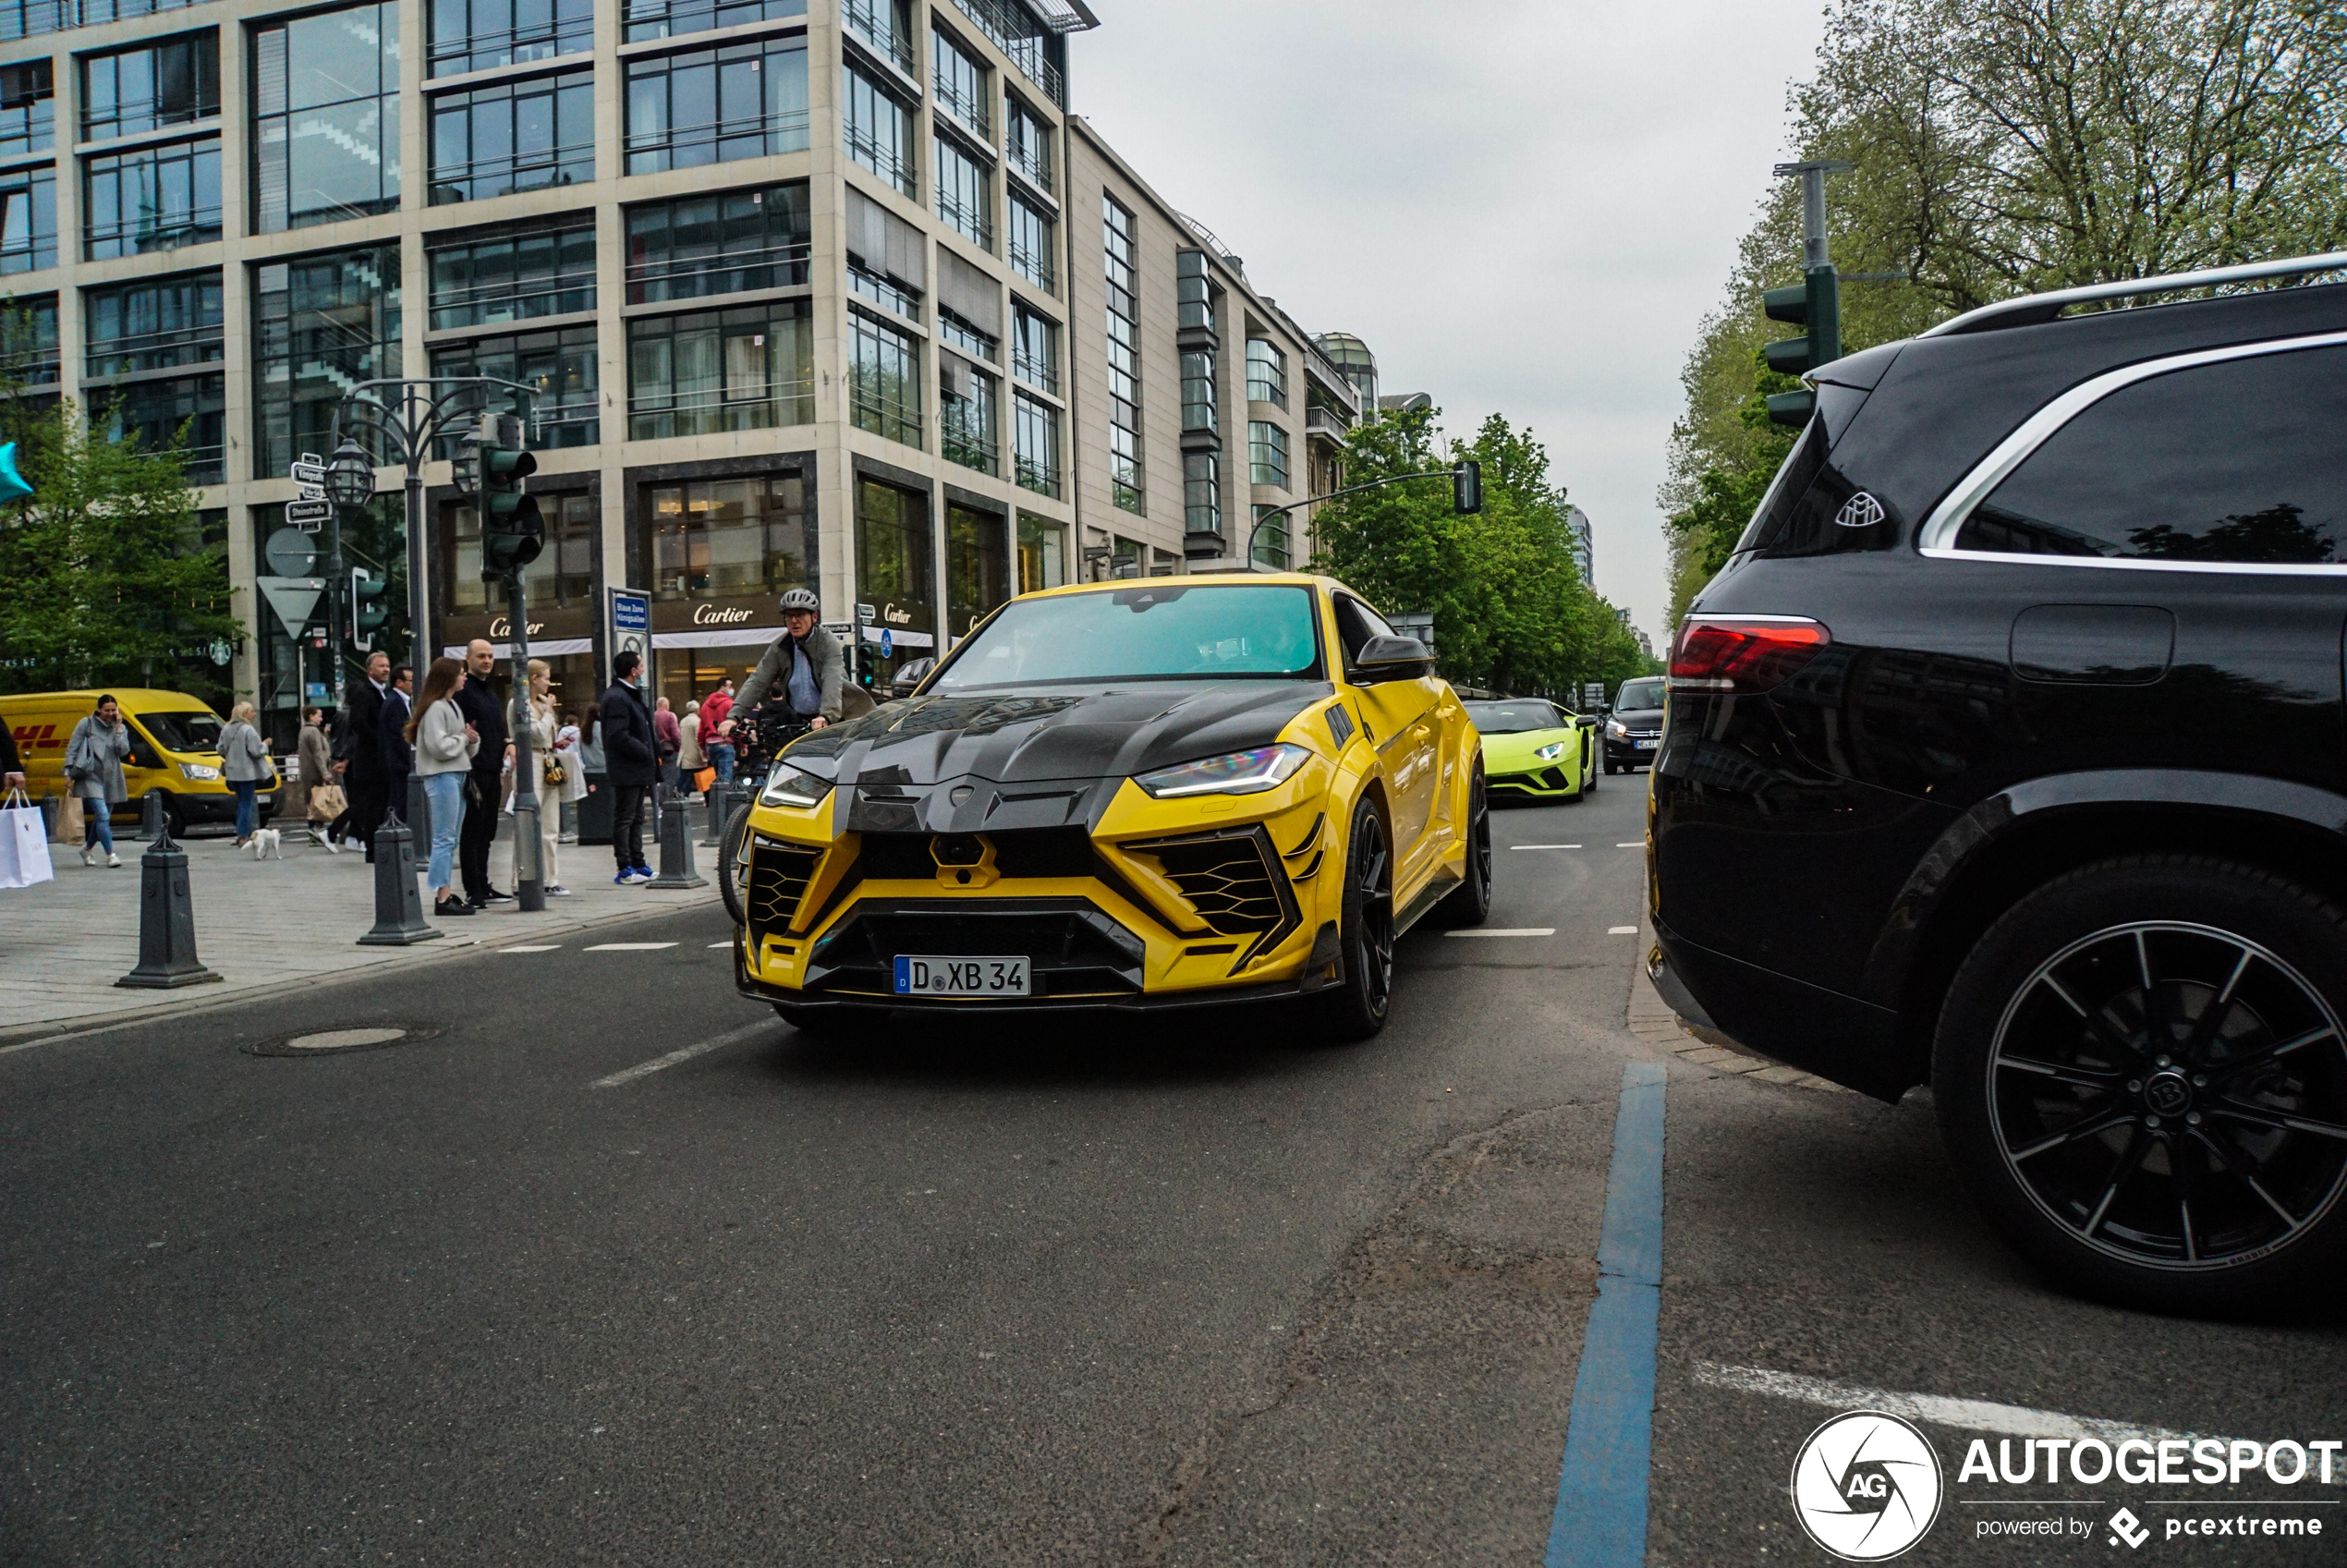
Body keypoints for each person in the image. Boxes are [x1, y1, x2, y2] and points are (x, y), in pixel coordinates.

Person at [407, 656, 480, 918]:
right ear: (449, 678)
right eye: (461, 673)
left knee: (450, 839)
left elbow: (458, 746)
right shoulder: (438, 708)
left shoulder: (451, 706)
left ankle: (445, 891)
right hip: (442, 776)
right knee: (444, 838)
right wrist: (464, 738)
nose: (464, 677)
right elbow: (439, 747)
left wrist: (469, 739)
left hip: (454, 775)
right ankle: (442, 896)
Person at [727, 589, 842, 753]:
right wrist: (733, 717)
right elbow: (758, 681)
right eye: (789, 616)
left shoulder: (828, 642)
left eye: (800, 615)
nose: (794, 621)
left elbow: (832, 679)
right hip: (799, 722)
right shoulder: (780, 647)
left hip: (834, 720)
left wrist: (827, 715)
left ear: (814, 617)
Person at [512, 659, 578, 896]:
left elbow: (545, 736)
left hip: (548, 760)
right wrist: (549, 712)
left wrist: (556, 742)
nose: (549, 683)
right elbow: (535, 732)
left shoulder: (541, 703)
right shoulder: (519, 704)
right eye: (546, 678)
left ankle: (550, 879)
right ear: (533, 679)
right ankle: (522, 879)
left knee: (551, 824)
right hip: (531, 761)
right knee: (528, 821)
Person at [454, 639, 513, 906]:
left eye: (490, 656)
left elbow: (495, 728)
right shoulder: (463, 692)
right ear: (468, 659)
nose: (487, 660)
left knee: (488, 831)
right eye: (481, 656)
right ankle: (472, 888)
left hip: (492, 769)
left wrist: (507, 744)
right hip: (473, 770)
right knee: (472, 831)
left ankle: (483, 882)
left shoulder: (489, 690)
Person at [598, 650, 657, 885]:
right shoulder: (617, 697)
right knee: (625, 817)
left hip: (637, 768)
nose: (643, 670)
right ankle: (624, 868)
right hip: (627, 768)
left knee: (637, 817)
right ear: (633, 671)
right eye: (641, 666)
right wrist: (645, 751)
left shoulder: (629, 695)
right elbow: (617, 736)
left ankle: (639, 863)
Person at [335, 650, 393, 861]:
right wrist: (380, 740)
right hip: (371, 760)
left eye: (387, 666)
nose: (386, 669)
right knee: (372, 807)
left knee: (383, 805)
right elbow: (358, 723)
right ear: (370, 670)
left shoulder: (385, 692)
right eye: (381, 666)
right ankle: (371, 849)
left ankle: (379, 846)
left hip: (383, 760)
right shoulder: (364, 692)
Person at [64, 694, 131, 868]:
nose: (110, 713)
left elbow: (123, 751)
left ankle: (87, 849)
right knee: (102, 815)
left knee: (103, 818)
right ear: (99, 710)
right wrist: (67, 772)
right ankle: (111, 855)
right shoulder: (86, 724)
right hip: (90, 776)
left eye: (113, 710)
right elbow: (73, 747)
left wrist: (117, 730)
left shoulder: (121, 727)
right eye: (107, 710)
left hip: (112, 776)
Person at [218, 701, 271, 846]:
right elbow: (256, 751)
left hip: (231, 771)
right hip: (247, 772)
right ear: (244, 713)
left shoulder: (226, 728)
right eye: (252, 711)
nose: (254, 714)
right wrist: (265, 744)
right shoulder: (248, 730)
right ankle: (242, 835)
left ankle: (240, 833)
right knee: (246, 803)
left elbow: (220, 749)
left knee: (241, 802)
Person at [379, 665, 414, 835]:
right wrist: (410, 759)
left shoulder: (399, 701)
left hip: (397, 762)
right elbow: (398, 736)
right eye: (410, 681)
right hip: (398, 763)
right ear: (399, 683)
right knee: (398, 804)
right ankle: (394, 837)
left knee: (397, 802)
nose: (413, 684)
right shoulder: (394, 702)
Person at [295, 708, 334, 846]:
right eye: (319, 716)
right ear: (311, 716)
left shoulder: (304, 731)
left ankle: (313, 832)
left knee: (312, 804)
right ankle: (315, 830)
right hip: (315, 773)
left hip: (307, 771)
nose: (321, 719)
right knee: (321, 803)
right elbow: (318, 753)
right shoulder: (313, 731)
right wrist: (325, 772)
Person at [702, 679, 736, 785]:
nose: (731, 689)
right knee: (725, 778)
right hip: (725, 743)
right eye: (730, 686)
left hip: (710, 745)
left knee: (717, 778)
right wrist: (743, 745)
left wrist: (703, 747)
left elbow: (701, 729)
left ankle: (716, 800)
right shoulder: (729, 704)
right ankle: (723, 801)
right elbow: (736, 724)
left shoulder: (705, 706)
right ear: (722, 688)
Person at [653, 696, 682, 796]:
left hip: (655, 750)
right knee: (670, 776)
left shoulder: (652, 716)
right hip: (669, 749)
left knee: (659, 776)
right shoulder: (670, 716)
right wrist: (678, 746)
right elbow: (675, 734)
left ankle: (658, 799)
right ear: (665, 705)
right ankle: (667, 798)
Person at [677, 699, 703, 796]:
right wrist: (703, 757)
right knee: (694, 778)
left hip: (684, 755)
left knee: (684, 778)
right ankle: (684, 797)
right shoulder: (697, 721)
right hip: (694, 756)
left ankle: (677, 795)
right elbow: (698, 739)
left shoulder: (683, 721)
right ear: (697, 710)